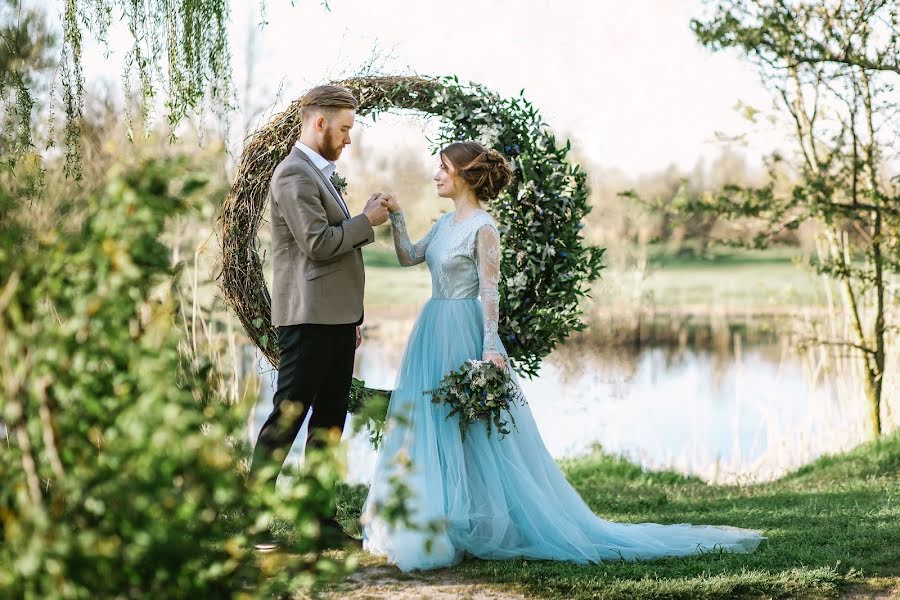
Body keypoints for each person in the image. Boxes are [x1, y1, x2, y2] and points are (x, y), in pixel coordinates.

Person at [361, 141, 764, 571]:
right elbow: (408, 257)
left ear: (464, 175)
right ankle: (431, 521)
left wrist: (491, 347)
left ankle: (475, 522)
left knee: (471, 429)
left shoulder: (483, 227)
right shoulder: (443, 225)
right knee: (428, 421)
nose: (436, 175)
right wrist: (398, 218)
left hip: (464, 329)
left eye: (442, 168)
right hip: (431, 328)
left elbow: (491, 292)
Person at [250, 84, 390, 550]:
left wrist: (352, 320)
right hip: (306, 320)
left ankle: (319, 521)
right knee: (287, 417)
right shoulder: (293, 175)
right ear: (319, 123)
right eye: (345, 128)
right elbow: (319, 244)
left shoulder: (319, 174)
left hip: (333, 320)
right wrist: (366, 220)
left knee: (329, 421)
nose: (349, 138)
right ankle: (256, 523)